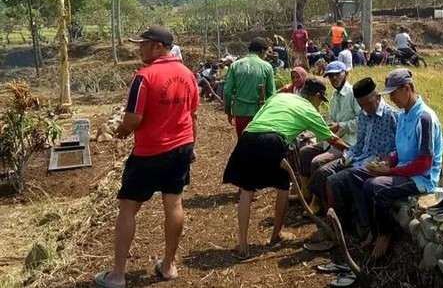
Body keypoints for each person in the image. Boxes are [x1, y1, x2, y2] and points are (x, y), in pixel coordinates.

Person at [94, 26, 198, 288]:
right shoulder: (187, 74)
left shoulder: (144, 77)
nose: (139, 48)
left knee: (128, 207)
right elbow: (192, 114)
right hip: (181, 147)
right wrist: (192, 146)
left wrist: (120, 131)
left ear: (158, 47)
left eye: (143, 44)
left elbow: (133, 119)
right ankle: (168, 266)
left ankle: (118, 275)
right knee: (173, 204)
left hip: (150, 152)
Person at [223, 77, 349, 260]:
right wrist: (352, 150)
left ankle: (243, 246)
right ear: (315, 96)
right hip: (274, 140)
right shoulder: (309, 111)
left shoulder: (279, 97)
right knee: (283, 187)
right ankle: (276, 236)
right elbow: (332, 139)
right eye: (320, 101)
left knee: (246, 190)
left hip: (248, 136)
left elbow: (261, 116)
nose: (319, 106)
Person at [349, 68, 443, 258]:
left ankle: (384, 233)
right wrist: (387, 161)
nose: (391, 99)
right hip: (403, 170)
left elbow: (424, 163)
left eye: (393, 93)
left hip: (421, 178)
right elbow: (400, 152)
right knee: (358, 175)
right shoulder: (402, 115)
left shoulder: (425, 118)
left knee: (375, 186)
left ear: (407, 88)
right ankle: (373, 229)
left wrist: (390, 171)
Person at [305, 78, 398, 250]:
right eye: (361, 105)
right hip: (357, 157)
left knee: (332, 182)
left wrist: (385, 161)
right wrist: (347, 156)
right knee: (321, 172)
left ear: (377, 97)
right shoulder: (363, 115)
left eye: (367, 104)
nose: (365, 108)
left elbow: (397, 149)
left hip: (372, 164)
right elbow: (359, 144)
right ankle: (332, 223)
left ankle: (336, 231)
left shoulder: (391, 116)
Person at [298, 61, 360, 213]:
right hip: (334, 139)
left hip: (348, 141)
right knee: (305, 152)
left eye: (337, 74)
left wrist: (341, 126)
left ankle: (318, 201)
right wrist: (331, 126)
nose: (334, 78)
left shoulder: (353, 94)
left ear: (346, 73)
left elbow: (362, 121)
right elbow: (333, 120)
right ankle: (306, 192)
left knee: (317, 162)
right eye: (330, 76)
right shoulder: (334, 98)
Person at [224, 37, 276, 138]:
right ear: (262, 51)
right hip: (260, 113)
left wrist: (228, 111)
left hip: (240, 112)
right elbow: (271, 94)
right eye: (266, 53)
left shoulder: (235, 65)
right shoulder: (267, 67)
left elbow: (227, 91)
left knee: (243, 143)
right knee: (259, 144)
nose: (266, 56)